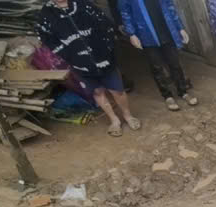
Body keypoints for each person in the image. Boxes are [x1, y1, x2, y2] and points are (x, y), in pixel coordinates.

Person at [36, 0, 141, 137]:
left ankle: (128, 116)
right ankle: (114, 120)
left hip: (103, 58)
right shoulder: (46, 15)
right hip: (80, 63)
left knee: (117, 91)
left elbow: (105, 23)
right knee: (97, 92)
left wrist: (108, 47)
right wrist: (69, 55)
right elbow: (47, 39)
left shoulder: (84, 5)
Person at [116, 0, 197, 111]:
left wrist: (180, 27)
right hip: (146, 35)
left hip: (167, 31)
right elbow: (125, 13)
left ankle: (183, 92)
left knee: (175, 63)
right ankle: (167, 96)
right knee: (157, 67)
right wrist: (132, 34)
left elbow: (170, 7)